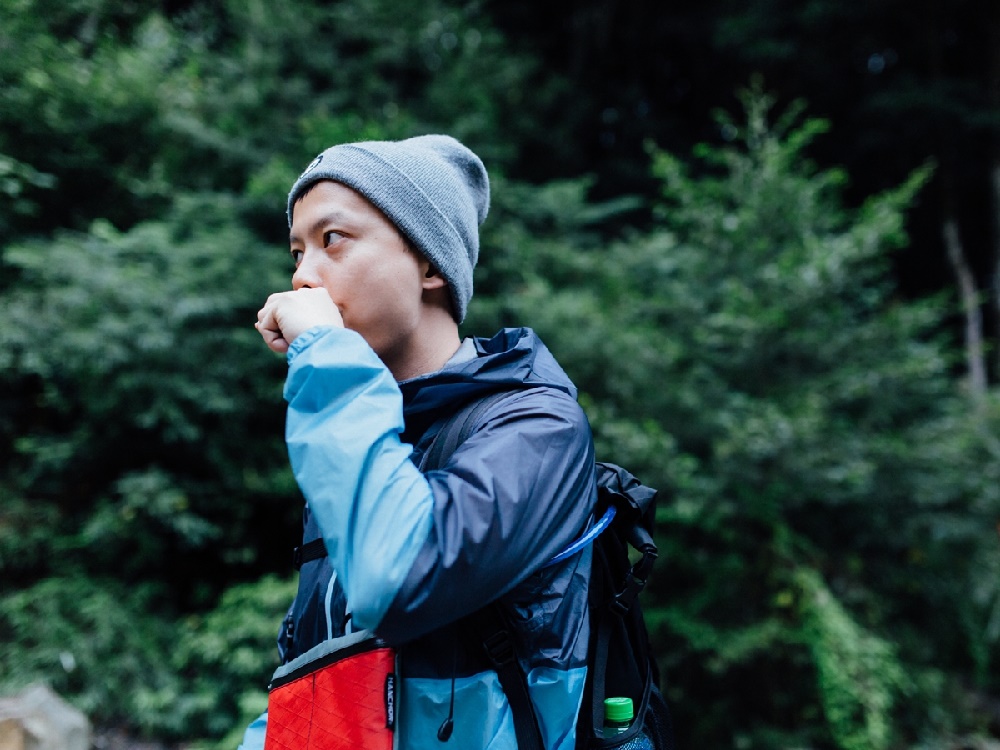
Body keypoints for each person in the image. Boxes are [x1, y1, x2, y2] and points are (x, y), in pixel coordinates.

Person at [240, 134, 597, 749]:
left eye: (333, 239)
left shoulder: (537, 427)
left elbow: (397, 580)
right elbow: (312, 681)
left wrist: (328, 354)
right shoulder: (363, 435)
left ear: (430, 265)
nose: (302, 275)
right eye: (297, 251)